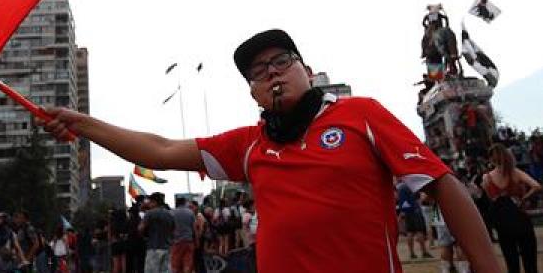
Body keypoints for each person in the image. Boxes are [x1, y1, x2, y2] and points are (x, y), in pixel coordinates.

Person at [40, 29, 499, 273]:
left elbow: (441, 184)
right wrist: (85, 125)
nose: (273, 72)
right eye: (259, 71)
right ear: (254, 94)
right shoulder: (249, 145)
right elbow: (159, 150)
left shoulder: (360, 114)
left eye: (283, 61)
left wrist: (486, 267)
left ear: (309, 70)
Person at [481, 143, 541, 273]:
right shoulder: (515, 172)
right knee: (529, 259)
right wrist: (524, 198)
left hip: (502, 222)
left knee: (511, 261)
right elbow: (536, 186)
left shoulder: (487, 178)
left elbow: (491, 199)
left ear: (491, 158)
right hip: (520, 217)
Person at [396, 179, 432, 260]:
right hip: (415, 210)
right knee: (419, 231)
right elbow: (418, 199)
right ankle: (424, 252)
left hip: (406, 211)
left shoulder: (400, 188)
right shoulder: (411, 186)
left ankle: (412, 253)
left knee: (410, 232)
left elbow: (399, 200)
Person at [137, 194, 171, 273]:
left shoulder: (150, 213)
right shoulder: (169, 214)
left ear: (154, 202)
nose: (148, 203)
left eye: (150, 202)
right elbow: (173, 229)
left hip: (153, 247)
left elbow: (140, 228)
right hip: (166, 247)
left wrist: (143, 235)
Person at [168, 197, 195, 273]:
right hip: (189, 241)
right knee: (187, 263)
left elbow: (170, 228)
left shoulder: (172, 213)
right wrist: (196, 240)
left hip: (176, 242)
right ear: (184, 203)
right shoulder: (190, 212)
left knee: (175, 264)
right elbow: (194, 228)